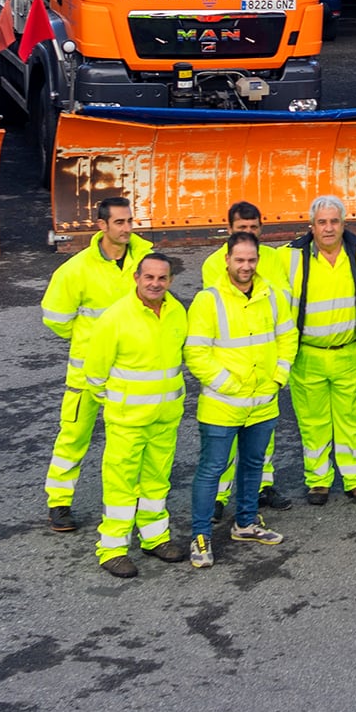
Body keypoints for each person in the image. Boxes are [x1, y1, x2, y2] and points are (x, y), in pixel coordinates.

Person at [40, 197, 152, 533]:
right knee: (73, 436)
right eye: (119, 223)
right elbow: (56, 318)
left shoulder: (145, 259)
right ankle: (59, 503)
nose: (127, 229)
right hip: (87, 374)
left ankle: (129, 500)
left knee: (129, 441)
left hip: (131, 370)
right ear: (101, 226)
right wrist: (90, 341)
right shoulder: (76, 270)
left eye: (130, 221)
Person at [183, 233, 296, 568]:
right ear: (227, 261)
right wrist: (227, 385)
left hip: (263, 401)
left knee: (253, 465)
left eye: (251, 260)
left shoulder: (272, 296)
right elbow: (196, 351)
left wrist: (279, 376)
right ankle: (200, 535)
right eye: (240, 260)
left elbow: (288, 336)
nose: (246, 266)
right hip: (223, 405)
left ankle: (246, 523)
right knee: (212, 470)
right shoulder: (208, 300)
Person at [81, 251, 189, 577]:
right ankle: (112, 549)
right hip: (127, 420)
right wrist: (119, 403)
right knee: (121, 486)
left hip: (165, 417)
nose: (155, 283)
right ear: (136, 279)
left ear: (170, 280)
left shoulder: (176, 312)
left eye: (162, 278)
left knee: (157, 482)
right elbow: (95, 374)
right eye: (149, 277)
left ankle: (155, 538)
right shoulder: (115, 317)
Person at [201, 200, 299, 514]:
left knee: (262, 435)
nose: (248, 232)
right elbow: (219, 308)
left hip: (264, 358)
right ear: (229, 229)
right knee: (225, 441)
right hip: (232, 363)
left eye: (253, 228)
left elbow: (285, 298)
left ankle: (261, 487)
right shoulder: (213, 262)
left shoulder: (273, 257)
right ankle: (218, 496)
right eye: (241, 228)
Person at [288, 196, 356, 508]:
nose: (328, 228)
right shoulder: (289, 257)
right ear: (311, 226)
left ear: (344, 224)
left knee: (352, 420)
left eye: (334, 221)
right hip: (308, 355)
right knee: (312, 421)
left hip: (348, 351)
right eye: (322, 222)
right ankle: (318, 481)